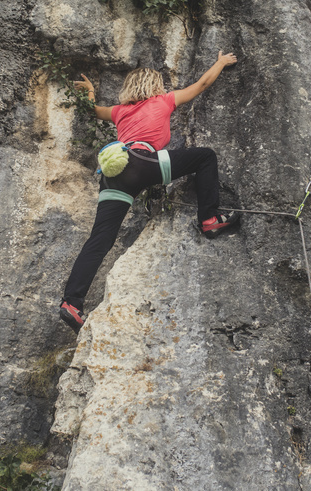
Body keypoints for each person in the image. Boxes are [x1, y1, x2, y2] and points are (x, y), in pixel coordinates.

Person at [59, 52, 242, 333]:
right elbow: (202, 84)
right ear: (155, 86)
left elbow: (95, 110)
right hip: (143, 163)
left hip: (113, 170)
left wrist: (92, 93)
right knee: (205, 157)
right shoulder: (164, 100)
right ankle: (209, 218)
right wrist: (220, 62)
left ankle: (71, 303)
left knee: (100, 238)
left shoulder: (119, 111)